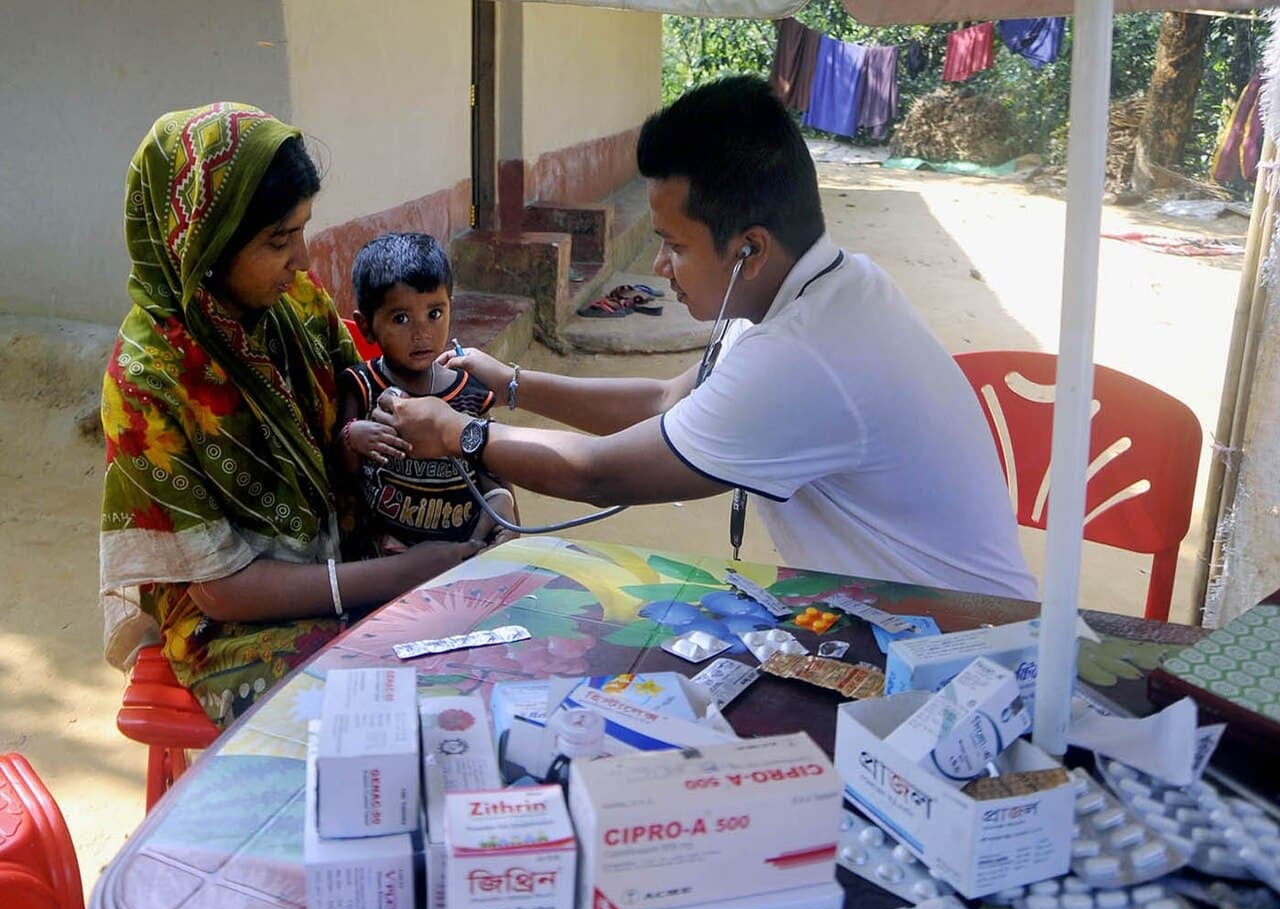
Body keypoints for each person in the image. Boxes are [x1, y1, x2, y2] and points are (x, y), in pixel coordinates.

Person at [376, 75, 1038, 602]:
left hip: (958, 645)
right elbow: (667, 401)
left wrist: (460, 434)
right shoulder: (830, 285)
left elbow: (599, 473)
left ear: (751, 248)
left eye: (675, 246)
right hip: (904, 614)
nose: (660, 267)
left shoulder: (804, 354)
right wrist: (511, 382)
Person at [99, 104, 499, 727]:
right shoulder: (148, 380)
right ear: (205, 243)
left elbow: (370, 405)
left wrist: (463, 487)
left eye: (303, 231)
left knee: (481, 644)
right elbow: (221, 590)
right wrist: (396, 574)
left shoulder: (295, 305)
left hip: (358, 543)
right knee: (378, 701)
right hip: (237, 618)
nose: (305, 260)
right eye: (278, 240)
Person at [337, 232, 518, 558]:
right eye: (401, 318)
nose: (421, 333)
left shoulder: (470, 391)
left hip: (460, 551)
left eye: (435, 313)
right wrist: (352, 437)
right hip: (385, 556)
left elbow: (492, 471)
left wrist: (503, 505)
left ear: (451, 308)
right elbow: (341, 472)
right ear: (365, 327)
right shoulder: (361, 384)